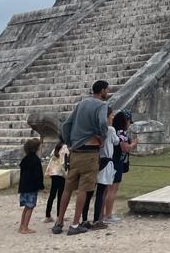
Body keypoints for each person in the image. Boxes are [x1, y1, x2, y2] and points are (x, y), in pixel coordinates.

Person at [53, 79, 111, 235]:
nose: (108, 93)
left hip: (75, 151)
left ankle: (59, 222)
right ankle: (74, 224)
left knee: (68, 188)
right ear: (103, 90)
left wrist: (70, 142)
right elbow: (102, 123)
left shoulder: (81, 104)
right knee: (84, 189)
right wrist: (103, 137)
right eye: (107, 90)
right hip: (90, 153)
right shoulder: (102, 105)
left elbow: (66, 125)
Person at [81, 107, 118, 230]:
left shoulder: (94, 129)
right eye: (111, 115)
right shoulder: (110, 129)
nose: (113, 117)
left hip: (95, 161)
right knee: (101, 192)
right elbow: (116, 142)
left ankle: (85, 218)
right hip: (106, 161)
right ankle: (97, 219)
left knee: (89, 192)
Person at [101, 109, 136, 223]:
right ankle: (108, 215)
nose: (130, 124)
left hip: (110, 161)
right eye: (129, 121)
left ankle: (102, 214)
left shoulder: (113, 130)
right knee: (112, 189)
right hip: (117, 162)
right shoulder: (121, 132)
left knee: (106, 189)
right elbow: (125, 148)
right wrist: (134, 144)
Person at [18, 137, 44, 234]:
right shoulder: (36, 160)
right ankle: (25, 227)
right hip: (31, 187)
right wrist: (41, 186)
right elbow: (38, 175)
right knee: (30, 207)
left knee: (26, 207)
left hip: (24, 186)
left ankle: (21, 226)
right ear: (37, 148)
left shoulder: (25, 159)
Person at [43, 139, 68, 223]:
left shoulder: (57, 147)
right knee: (60, 196)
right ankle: (59, 216)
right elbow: (63, 163)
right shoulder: (65, 148)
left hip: (54, 173)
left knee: (52, 195)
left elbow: (52, 160)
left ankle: (47, 215)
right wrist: (67, 175)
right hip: (61, 174)